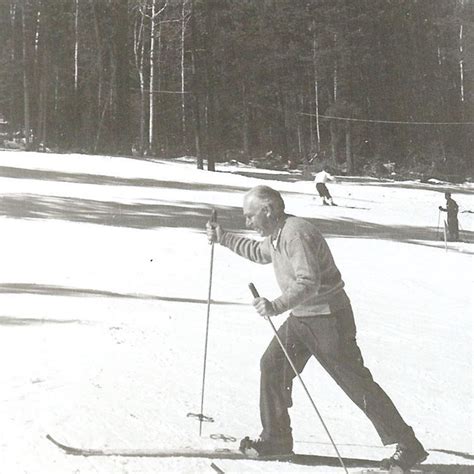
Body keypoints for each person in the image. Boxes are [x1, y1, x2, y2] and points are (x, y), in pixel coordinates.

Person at [206, 185, 428, 472]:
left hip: (328, 318)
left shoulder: (296, 233)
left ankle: (409, 446)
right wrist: (223, 238)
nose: (247, 222)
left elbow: (307, 282)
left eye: (250, 216)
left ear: (268, 210)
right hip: (302, 318)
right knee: (273, 365)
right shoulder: (277, 234)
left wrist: (274, 305)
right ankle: (276, 440)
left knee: (355, 383)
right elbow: (258, 252)